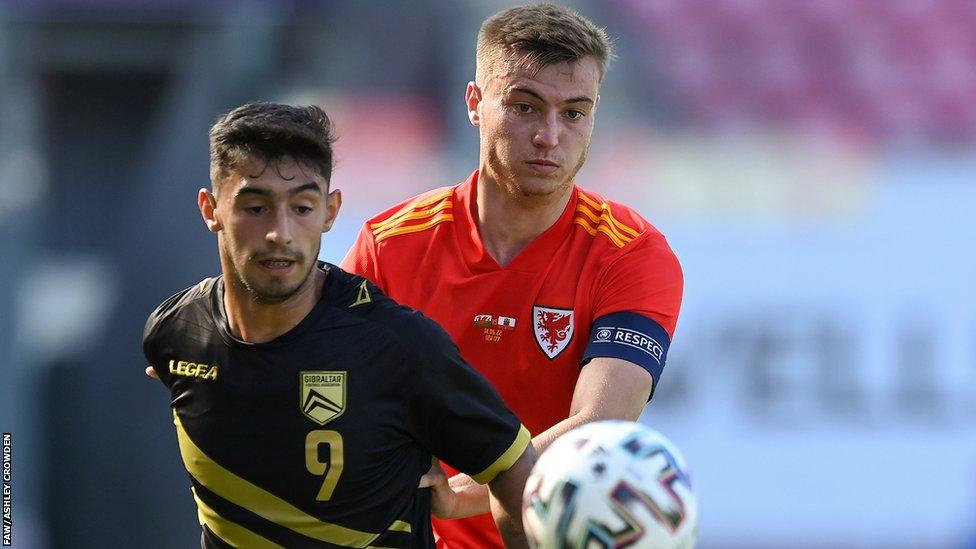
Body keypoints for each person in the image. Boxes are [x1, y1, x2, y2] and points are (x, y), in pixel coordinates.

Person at [340, 4, 683, 548]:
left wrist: (463, 493)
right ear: (475, 104)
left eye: (574, 112)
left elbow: (597, 430)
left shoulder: (631, 254)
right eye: (526, 107)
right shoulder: (389, 245)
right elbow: (326, 388)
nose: (549, 136)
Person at [142, 102, 536, 548]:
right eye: (255, 207)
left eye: (303, 207)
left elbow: (514, 468)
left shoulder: (398, 345)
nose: (280, 233)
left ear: (330, 211)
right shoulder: (175, 333)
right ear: (210, 209)